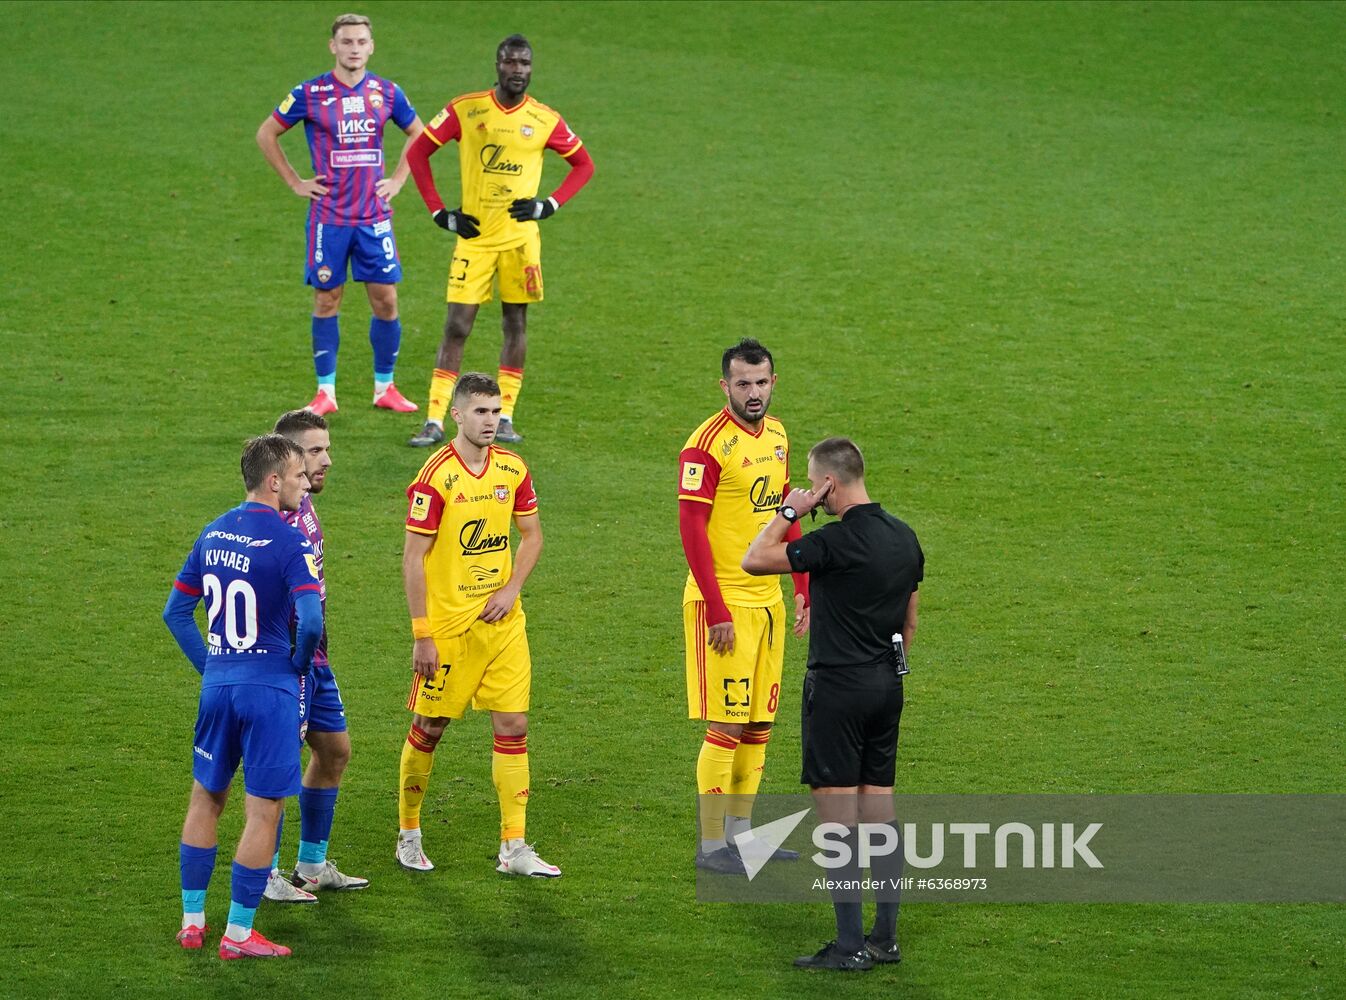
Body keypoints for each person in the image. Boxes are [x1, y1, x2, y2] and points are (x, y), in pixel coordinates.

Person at [742, 436, 924, 972]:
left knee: (839, 821)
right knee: (879, 812)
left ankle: (849, 948)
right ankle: (885, 940)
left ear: (829, 484)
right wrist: (883, 670)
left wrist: (788, 510)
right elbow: (910, 620)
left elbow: (755, 558)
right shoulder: (905, 537)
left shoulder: (833, 543)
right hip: (886, 686)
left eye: (813, 483)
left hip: (838, 691)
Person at [162, 435, 323, 959]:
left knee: (205, 798)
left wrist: (214, 666)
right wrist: (295, 665)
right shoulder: (288, 542)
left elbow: (176, 613)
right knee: (263, 812)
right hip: (269, 690)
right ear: (274, 481)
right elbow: (313, 620)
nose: (305, 484)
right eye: (299, 475)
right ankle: (237, 934)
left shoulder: (211, 533)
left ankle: (192, 922)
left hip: (218, 688)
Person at [395, 373, 559, 877]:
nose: (490, 421)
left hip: (504, 624)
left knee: (514, 727)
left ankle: (514, 846)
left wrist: (510, 591)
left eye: (496, 411)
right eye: (481, 412)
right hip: (448, 630)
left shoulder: (512, 468)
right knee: (429, 727)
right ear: (457, 415)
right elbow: (412, 558)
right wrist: (422, 632)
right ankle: (409, 832)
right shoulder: (436, 476)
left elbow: (531, 537)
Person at [404, 33, 596, 447]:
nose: (518, 71)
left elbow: (584, 164)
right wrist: (440, 212)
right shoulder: (467, 109)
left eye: (525, 64)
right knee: (456, 325)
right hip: (474, 239)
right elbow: (418, 152)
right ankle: (436, 419)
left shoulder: (545, 119)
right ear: (497, 65)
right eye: (510, 63)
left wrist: (550, 206)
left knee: (516, 323)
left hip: (520, 243)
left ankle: (504, 415)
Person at [679, 338, 809, 875]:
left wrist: (802, 587)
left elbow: (788, 512)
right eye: (743, 383)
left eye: (761, 382)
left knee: (758, 727)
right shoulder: (706, 445)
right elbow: (691, 531)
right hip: (724, 606)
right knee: (725, 728)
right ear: (724, 385)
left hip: (769, 602)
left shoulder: (777, 434)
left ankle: (742, 837)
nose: (753, 393)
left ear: (773, 382)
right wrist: (717, 609)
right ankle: (712, 847)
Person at [257, 12, 425, 417]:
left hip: (373, 217)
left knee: (386, 300)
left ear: (371, 47)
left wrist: (399, 180)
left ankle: (385, 386)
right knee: (327, 297)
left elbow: (420, 134)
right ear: (333, 46)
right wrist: (296, 182)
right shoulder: (310, 92)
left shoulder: (387, 92)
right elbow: (267, 133)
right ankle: (325, 393)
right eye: (346, 42)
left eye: (360, 42)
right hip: (329, 217)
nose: (353, 49)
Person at [259, 410, 368, 904]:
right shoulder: (274, 520)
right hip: (288, 659)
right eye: (315, 452)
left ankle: (311, 865)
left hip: (315, 655)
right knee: (279, 764)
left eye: (327, 448)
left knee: (335, 751)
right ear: (285, 462)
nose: (327, 460)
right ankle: (266, 875)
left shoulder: (303, 505)